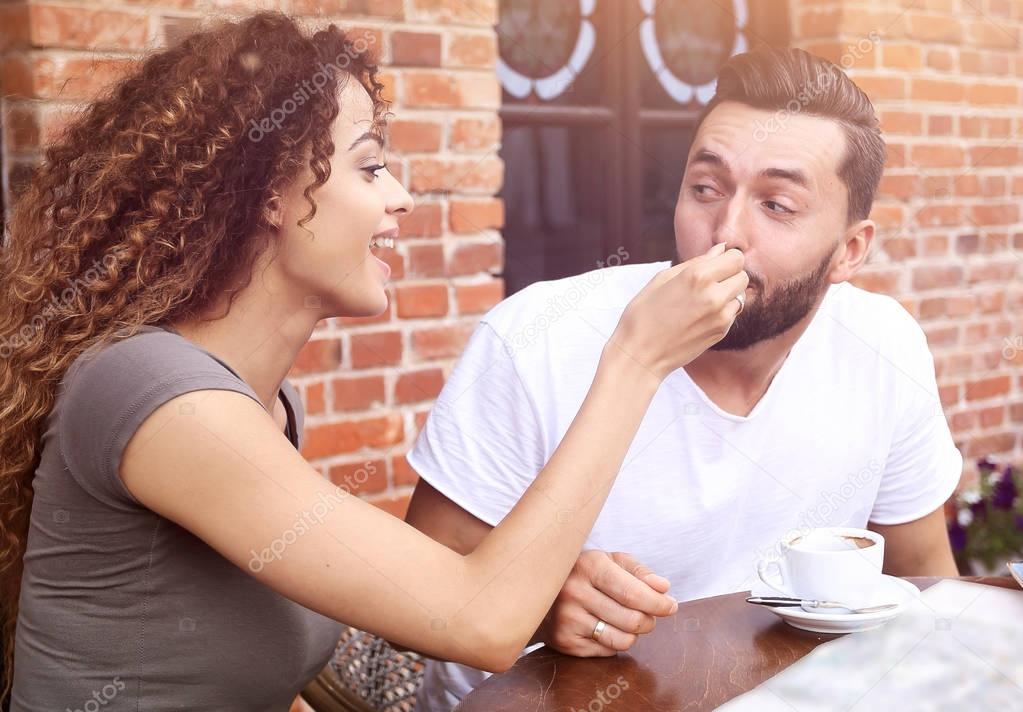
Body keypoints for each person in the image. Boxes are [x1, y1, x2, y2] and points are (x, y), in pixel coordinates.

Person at [0, 12, 750, 711]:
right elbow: (479, 618)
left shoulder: (262, 401)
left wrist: (540, 589)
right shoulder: (163, 399)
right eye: (368, 168)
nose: (401, 198)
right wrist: (636, 359)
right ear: (270, 196)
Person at [405, 47, 963, 711]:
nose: (724, 234)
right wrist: (540, 605)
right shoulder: (538, 336)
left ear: (848, 250)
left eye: (776, 205)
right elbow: (424, 602)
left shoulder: (880, 343)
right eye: (706, 189)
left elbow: (922, 578)